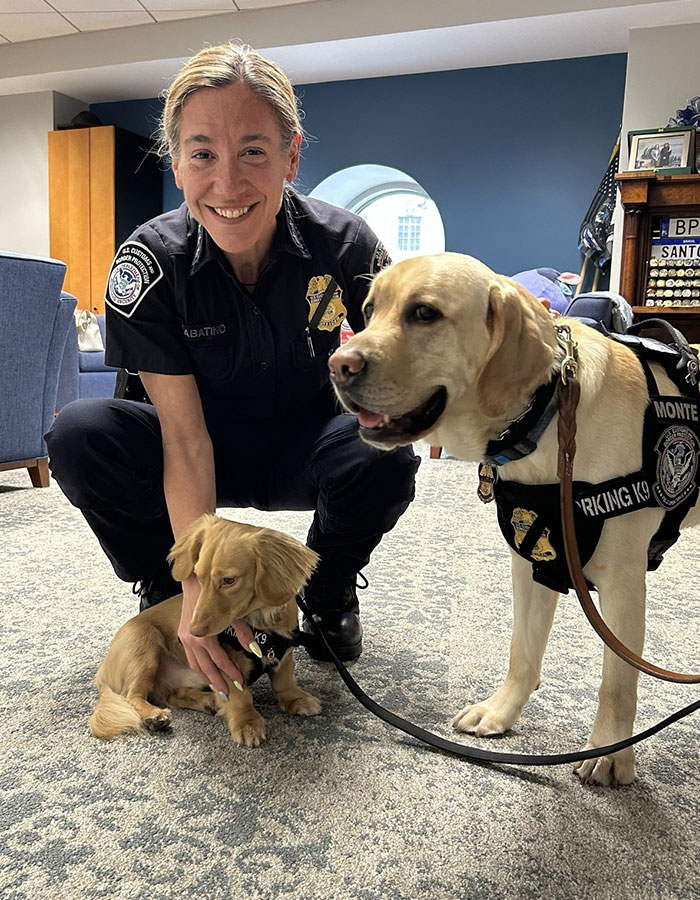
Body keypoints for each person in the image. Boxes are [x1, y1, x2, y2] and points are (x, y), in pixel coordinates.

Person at [46, 41, 420, 699]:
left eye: (253, 151)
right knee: (79, 433)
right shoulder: (149, 265)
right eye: (202, 155)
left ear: (290, 157)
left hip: (307, 449)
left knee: (386, 444)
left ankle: (326, 583)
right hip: (191, 453)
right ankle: (163, 584)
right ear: (178, 164)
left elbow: (394, 373)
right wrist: (197, 589)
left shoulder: (350, 248)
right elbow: (185, 443)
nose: (228, 184)